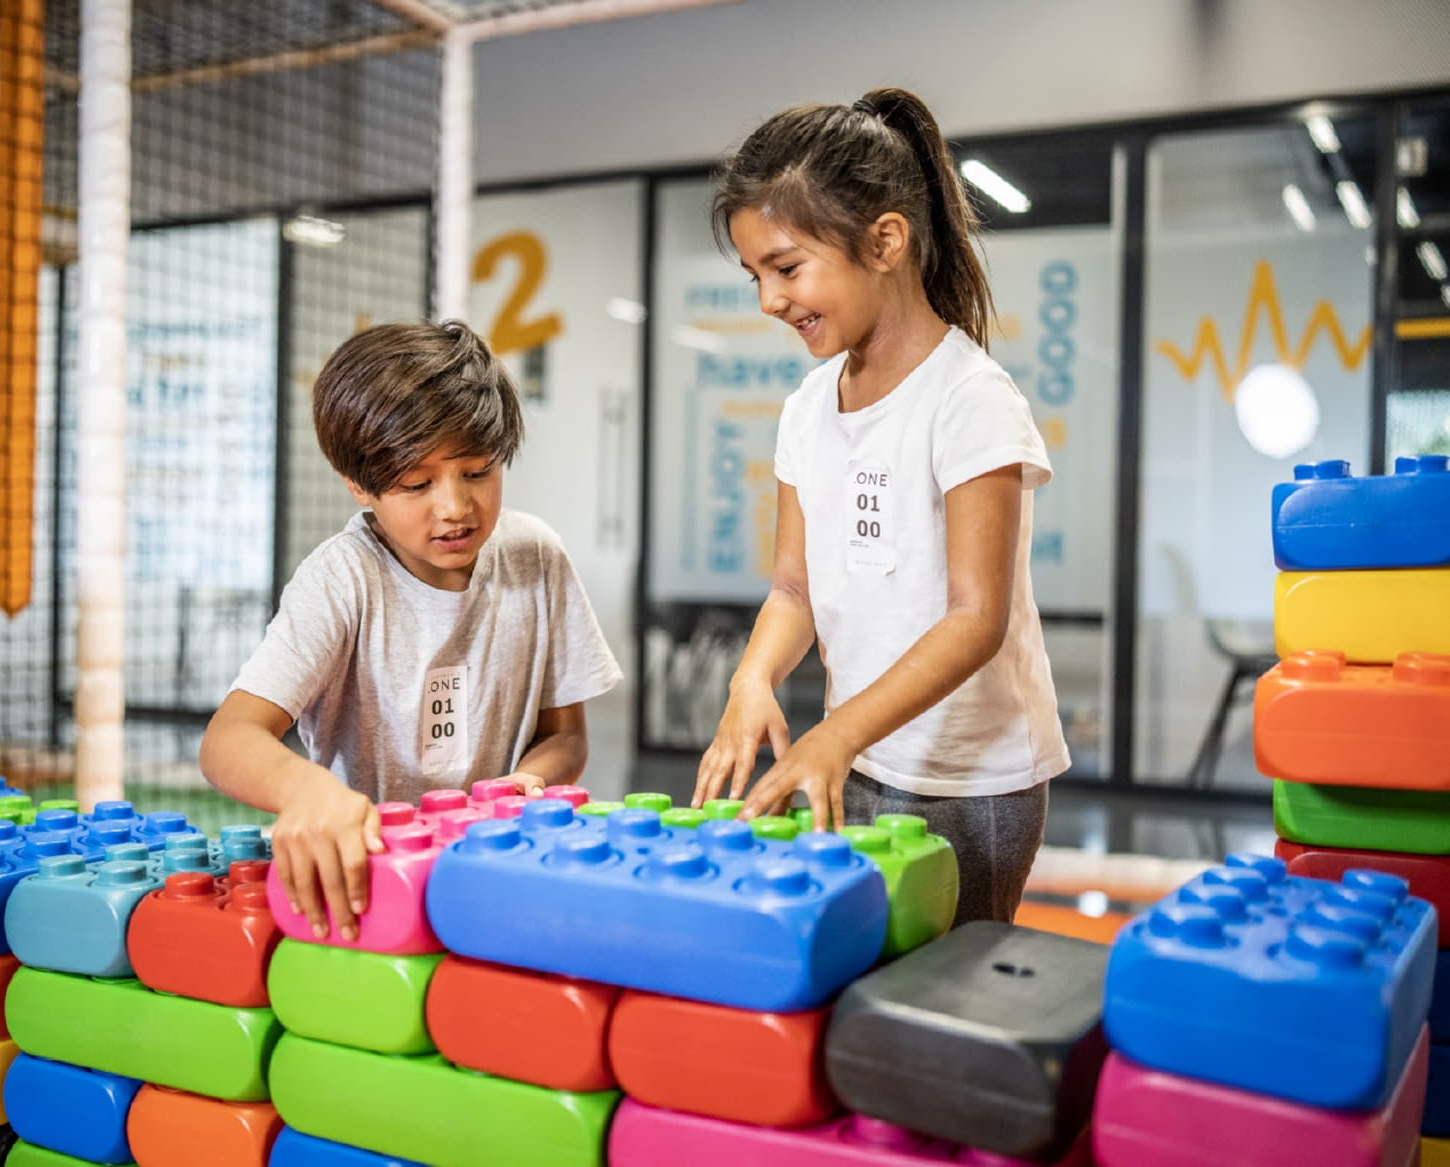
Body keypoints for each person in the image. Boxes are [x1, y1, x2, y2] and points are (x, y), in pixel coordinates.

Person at [693, 87, 1069, 925]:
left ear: (886, 241)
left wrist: (839, 733)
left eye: (786, 268)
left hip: (972, 779)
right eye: (756, 275)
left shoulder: (970, 399)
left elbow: (977, 617)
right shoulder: (805, 408)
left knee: (943, 1009)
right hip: (858, 756)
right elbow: (793, 590)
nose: (767, 300)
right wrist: (754, 679)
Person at [200, 320, 622, 942]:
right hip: (368, 884)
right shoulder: (342, 580)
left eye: (477, 471)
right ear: (358, 485)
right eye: (417, 484)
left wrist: (528, 779)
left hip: (496, 868)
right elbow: (228, 740)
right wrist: (306, 791)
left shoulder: (536, 555)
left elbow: (565, 737)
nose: (454, 507)